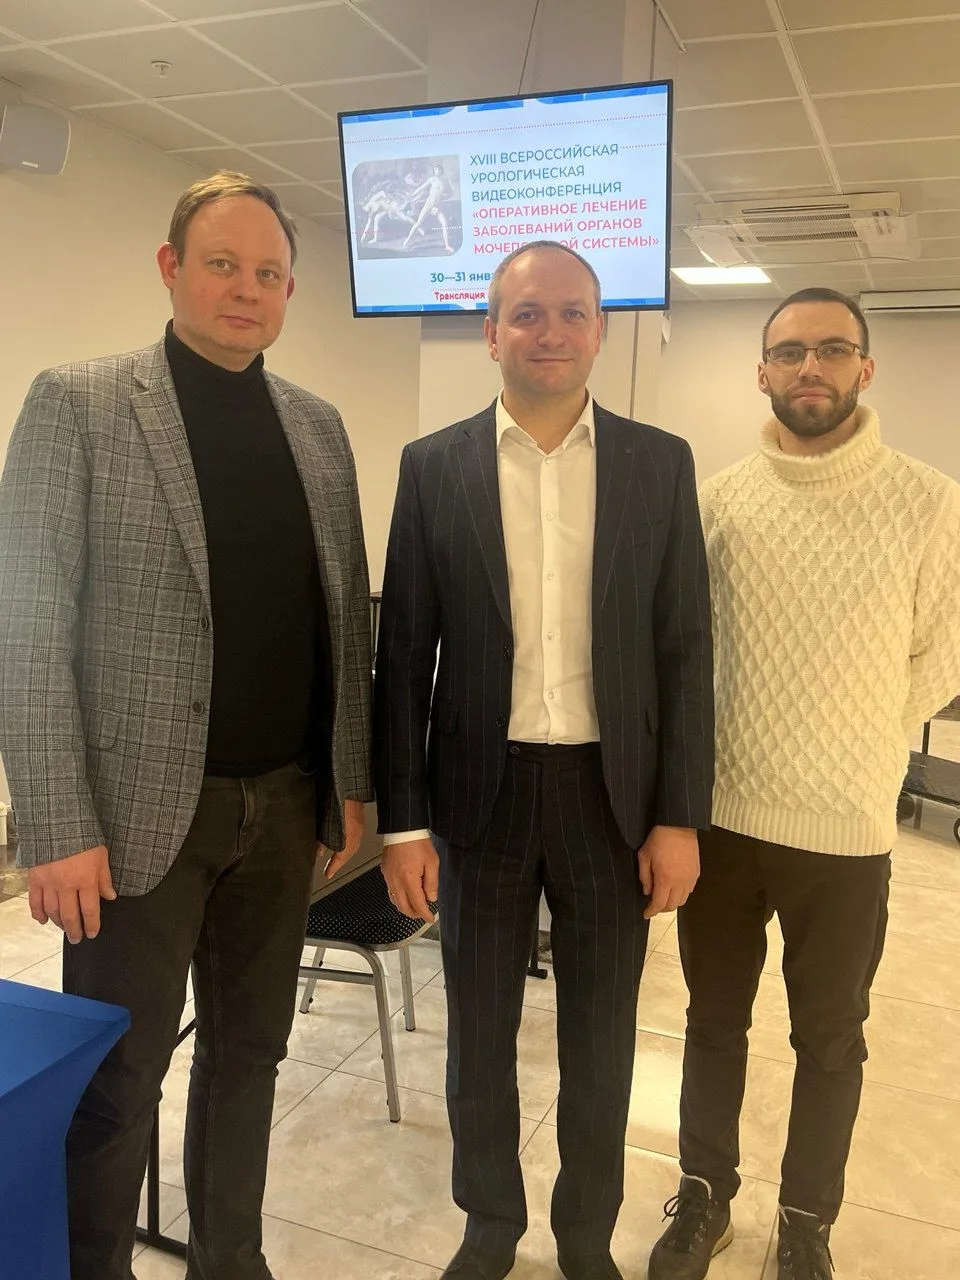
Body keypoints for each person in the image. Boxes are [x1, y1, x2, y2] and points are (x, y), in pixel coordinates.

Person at [0, 171, 373, 1280]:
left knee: (250, 1056)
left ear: (290, 290)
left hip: (286, 808)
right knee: (119, 1077)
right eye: (222, 264)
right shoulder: (78, 403)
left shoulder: (319, 429)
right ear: (171, 269)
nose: (246, 289)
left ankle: (229, 1259)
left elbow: (343, 618)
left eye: (268, 273)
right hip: (132, 820)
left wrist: (348, 781)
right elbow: (27, 624)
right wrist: (55, 823)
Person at [373, 240, 714, 1280]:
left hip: (614, 799)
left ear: (600, 330)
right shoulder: (434, 466)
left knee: (601, 1039)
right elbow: (405, 659)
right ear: (491, 334)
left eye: (572, 312)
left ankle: (583, 1236)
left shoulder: (660, 463)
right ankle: (489, 1227)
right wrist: (403, 822)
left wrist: (680, 814)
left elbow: (685, 648)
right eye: (526, 314)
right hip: (479, 798)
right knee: (478, 1035)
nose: (550, 332)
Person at [648, 287, 960, 1280]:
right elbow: (688, 654)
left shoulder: (930, 500)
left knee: (830, 1040)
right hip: (724, 821)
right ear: (762, 372)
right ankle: (704, 1195)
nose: (810, 368)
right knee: (712, 1022)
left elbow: (945, 650)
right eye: (789, 352)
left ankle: (806, 1218)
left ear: (866, 367)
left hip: (848, 831)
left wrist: (859, 728)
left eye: (831, 350)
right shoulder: (718, 502)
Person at [402, 164, 454, 252]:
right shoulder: (432, 179)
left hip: (437, 206)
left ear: (441, 170)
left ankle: (447, 245)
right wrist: (412, 195)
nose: (436, 171)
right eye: (435, 170)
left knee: (444, 224)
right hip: (429, 205)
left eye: (437, 169)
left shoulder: (445, 181)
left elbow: (450, 193)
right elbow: (421, 188)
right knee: (418, 223)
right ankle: (407, 241)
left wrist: (443, 197)